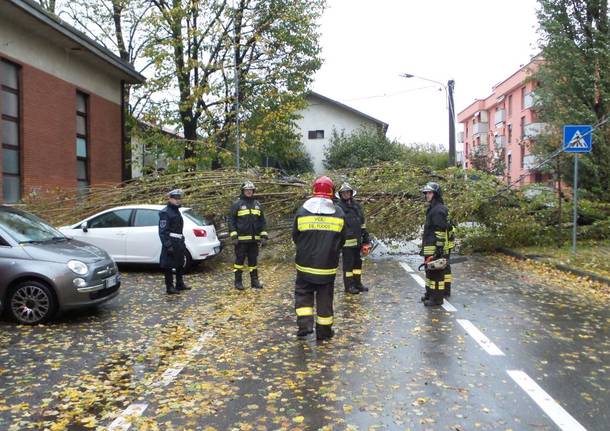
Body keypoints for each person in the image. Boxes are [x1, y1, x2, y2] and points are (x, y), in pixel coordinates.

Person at [292, 176, 346, 340]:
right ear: (331, 192)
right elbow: (342, 239)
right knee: (325, 299)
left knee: (303, 294)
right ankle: (324, 332)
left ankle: (304, 326)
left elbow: (295, 236)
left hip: (304, 264)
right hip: (327, 266)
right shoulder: (338, 213)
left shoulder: (302, 211)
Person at [229, 181, 268, 290]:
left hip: (254, 240)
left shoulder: (257, 205)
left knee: (253, 261)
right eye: (247, 190)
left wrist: (264, 236)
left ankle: (254, 282)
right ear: (243, 191)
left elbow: (262, 221)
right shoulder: (237, 204)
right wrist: (234, 236)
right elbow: (231, 221)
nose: (249, 191)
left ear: (253, 191)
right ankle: (238, 282)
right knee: (239, 261)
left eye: (251, 190)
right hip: (240, 241)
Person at [419, 182, 453, 306]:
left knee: (436, 274)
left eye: (429, 193)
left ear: (436, 194)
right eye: (426, 193)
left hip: (434, 248)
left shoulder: (438, 210)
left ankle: (437, 299)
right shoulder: (433, 208)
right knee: (429, 272)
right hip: (430, 247)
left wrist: (438, 250)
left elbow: (440, 231)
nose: (426, 195)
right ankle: (430, 293)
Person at [335, 182, 371, 294]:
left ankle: (358, 284)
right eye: (344, 193)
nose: (346, 194)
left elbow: (362, 222)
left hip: (358, 241)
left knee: (357, 265)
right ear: (340, 195)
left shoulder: (356, 206)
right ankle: (349, 286)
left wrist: (365, 237)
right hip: (347, 243)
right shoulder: (339, 208)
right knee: (348, 266)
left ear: (351, 193)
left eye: (348, 192)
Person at [159, 189, 190, 295]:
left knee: (180, 263)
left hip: (179, 241)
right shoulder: (165, 212)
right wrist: (168, 245)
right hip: (171, 242)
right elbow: (163, 231)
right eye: (175, 199)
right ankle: (169, 287)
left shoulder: (176, 211)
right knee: (168, 265)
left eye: (179, 199)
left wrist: (182, 240)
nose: (177, 201)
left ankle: (179, 284)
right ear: (170, 199)